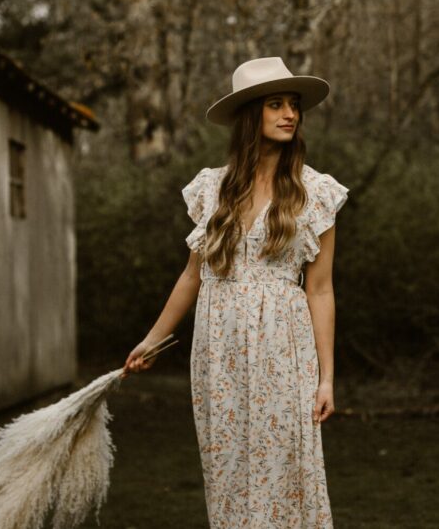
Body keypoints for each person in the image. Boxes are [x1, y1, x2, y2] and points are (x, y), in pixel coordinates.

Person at [123, 56, 349, 528]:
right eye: (275, 104)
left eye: (293, 105)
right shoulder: (213, 188)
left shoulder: (316, 192)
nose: (290, 113)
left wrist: (326, 377)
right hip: (219, 347)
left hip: (283, 347)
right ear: (251, 115)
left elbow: (321, 290)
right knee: (227, 469)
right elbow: (192, 275)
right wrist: (153, 339)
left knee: (284, 467)